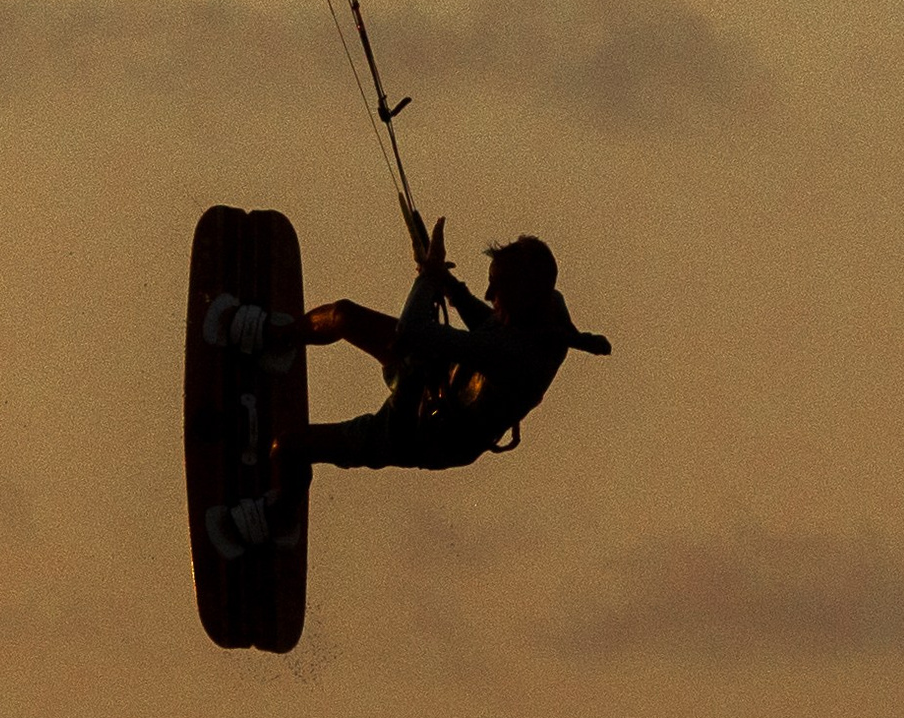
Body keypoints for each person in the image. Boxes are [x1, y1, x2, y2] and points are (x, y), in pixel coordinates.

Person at [204, 227, 607, 561]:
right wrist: (448, 284)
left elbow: (411, 333)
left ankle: (280, 518)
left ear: (522, 296)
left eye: (497, 288)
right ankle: (274, 337)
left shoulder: (515, 355)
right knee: (344, 314)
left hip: (423, 434)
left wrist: (428, 279)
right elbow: (487, 321)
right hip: (437, 379)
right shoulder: (540, 309)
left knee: (288, 447)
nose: (488, 294)